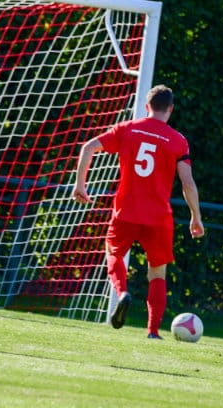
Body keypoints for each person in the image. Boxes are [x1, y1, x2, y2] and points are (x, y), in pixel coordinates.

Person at [72, 84, 205, 339]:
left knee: (113, 253)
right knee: (157, 272)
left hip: (126, 211)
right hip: (158, 217)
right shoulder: (178, 141)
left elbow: (88, 147)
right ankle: (153, 331)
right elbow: (187, 182)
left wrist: (80, 185)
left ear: (147, 106)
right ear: (170, 109)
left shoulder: (127, 128)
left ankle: (122, 292)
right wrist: (195, 216)